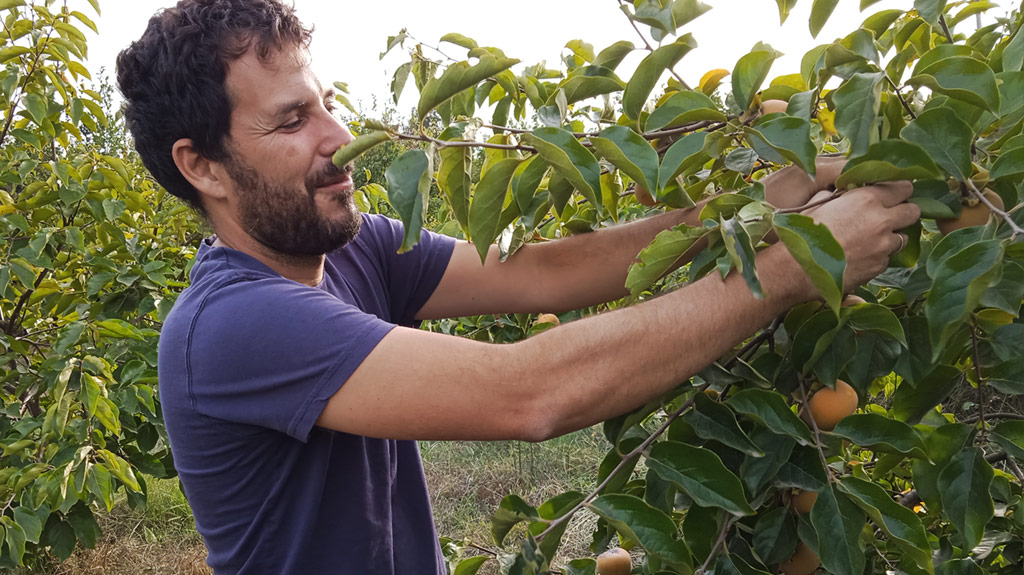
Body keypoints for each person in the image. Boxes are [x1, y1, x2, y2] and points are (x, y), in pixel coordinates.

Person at [115, 0, 920, 573]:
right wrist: (788, 269)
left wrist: (770, 197)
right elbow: (532, 392)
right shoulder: (230, 325)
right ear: (202, 165)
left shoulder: (353, 249)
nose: (341, 139)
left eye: (328, 105)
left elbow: (551, 270)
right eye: (292, 123)